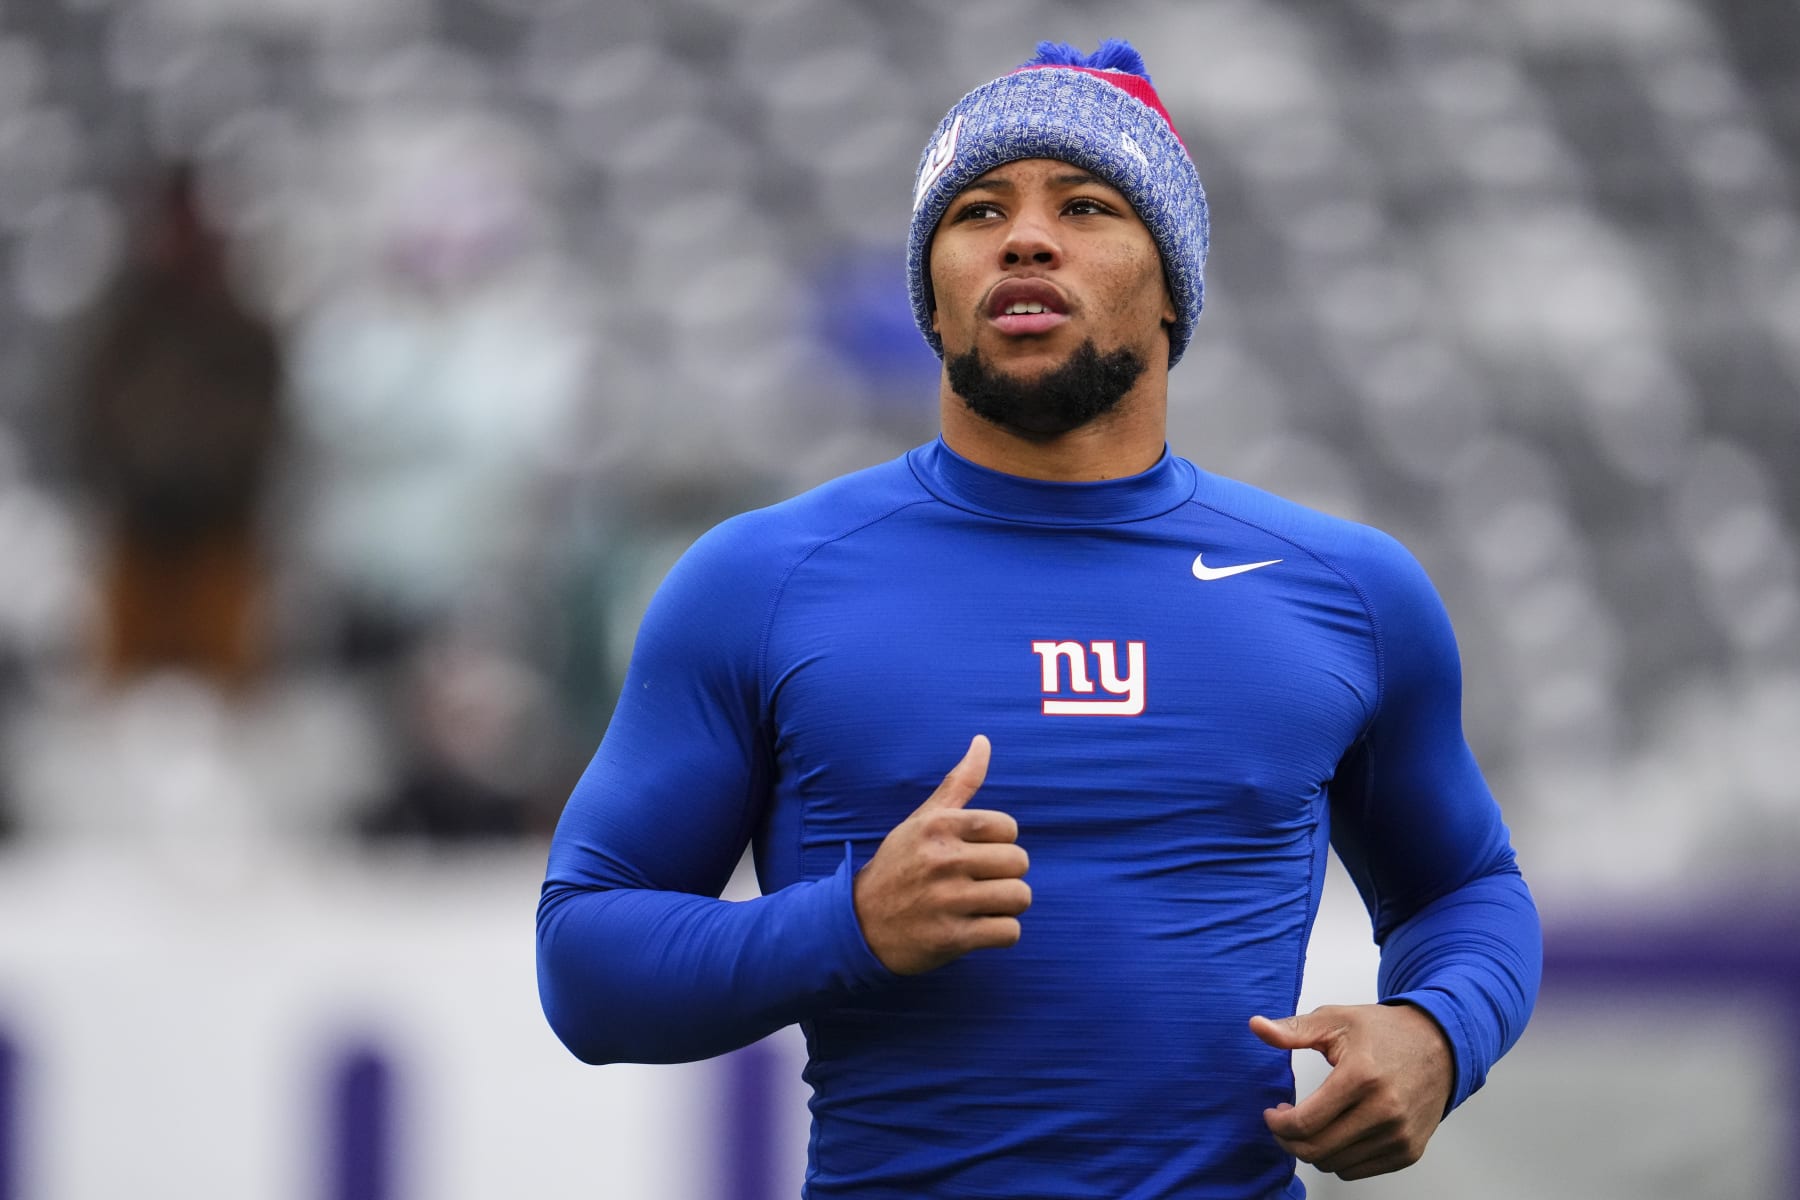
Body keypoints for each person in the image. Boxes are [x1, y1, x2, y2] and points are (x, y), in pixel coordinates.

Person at [537, 38, 1541, 1199]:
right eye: (976, 210)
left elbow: (1465, 890)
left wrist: (1437, 1032)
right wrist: (848, 924)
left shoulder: (1347, 592)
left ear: (1173, 283)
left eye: (1086, 204)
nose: (1024, 235)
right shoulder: (760, 581)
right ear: (932, 295)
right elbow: (585, 963)